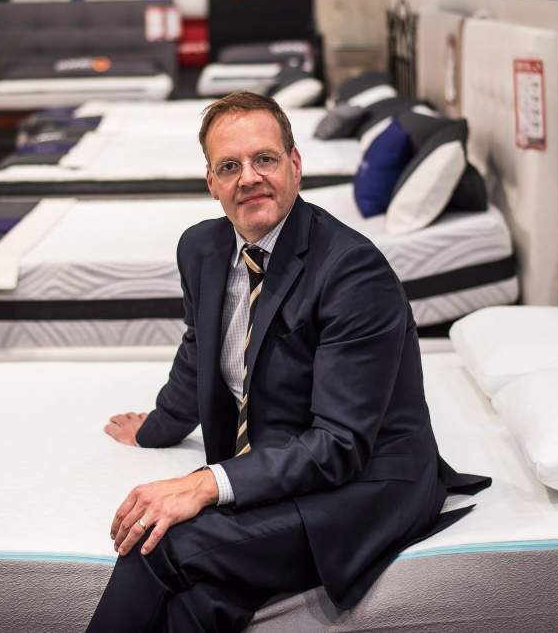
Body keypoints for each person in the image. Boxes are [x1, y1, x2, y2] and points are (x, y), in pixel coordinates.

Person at [87, 92, 489, 632]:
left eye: (265, 159)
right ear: (211, 182)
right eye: (230, 166)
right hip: (280, 465)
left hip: (362, 485)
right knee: (197, 606)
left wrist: (205, 484)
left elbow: (340, 444)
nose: (249, 178)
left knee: (157, 544)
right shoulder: (201, 249)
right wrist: (156, 428)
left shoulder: (353, 271)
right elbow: (200, 350)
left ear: (295, 165)